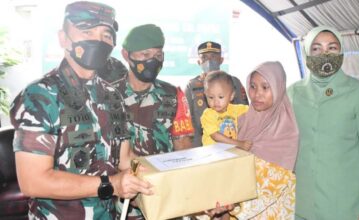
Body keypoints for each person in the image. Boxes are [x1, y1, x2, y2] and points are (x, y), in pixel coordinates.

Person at [9, 1, 152, 219]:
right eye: (87, 31)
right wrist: (110, 184)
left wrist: (169, 172)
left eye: (106, 34)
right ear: (63, 38)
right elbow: (33, 181)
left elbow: (125, 159)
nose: (98, 40)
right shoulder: (40, 95)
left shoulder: (112, 96)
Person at [287, 26, 359, 220]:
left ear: (341, 51)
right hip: (302, 202)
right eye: (316, 48)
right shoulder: (293, 93)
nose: (324, 54)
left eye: (332, 48)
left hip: (346, 202)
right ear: (306, 52)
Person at [114, 23, 194, 219]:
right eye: (144, 55)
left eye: (158, 55)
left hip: (164, 197)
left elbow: (183, 148)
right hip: (122, 202)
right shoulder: (109, 95)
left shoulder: (173, 95)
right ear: (126, 55)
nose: (152, 61)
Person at [230, 61, 299, 219]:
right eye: (253, 86)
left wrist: (230, 205)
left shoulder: (287, 132)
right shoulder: (242, 121)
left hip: (268, 212)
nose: (257, 94)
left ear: (278, 88)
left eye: (265, 87)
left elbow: (273, 186)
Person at [185, 41, 248, 148]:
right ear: (198, 62)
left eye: (213, 57)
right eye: (204, 58)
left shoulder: (233, 82)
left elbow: (245, 115)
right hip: (205, 144)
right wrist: (195, 148)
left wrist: (241, 143)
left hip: (233, 142)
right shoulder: (192, 86)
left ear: (221, 60)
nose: (209, 61)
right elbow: (190, 122)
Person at [200, 70, 251, 150]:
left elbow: (255, 110)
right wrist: (239, 143)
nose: (216, 102)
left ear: (231, 96)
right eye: (211, 97)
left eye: (220, 97)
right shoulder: (208, 115)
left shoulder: (237, 109)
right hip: (212, 155)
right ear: (205, 95)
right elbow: (216, 136)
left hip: (230, 152)